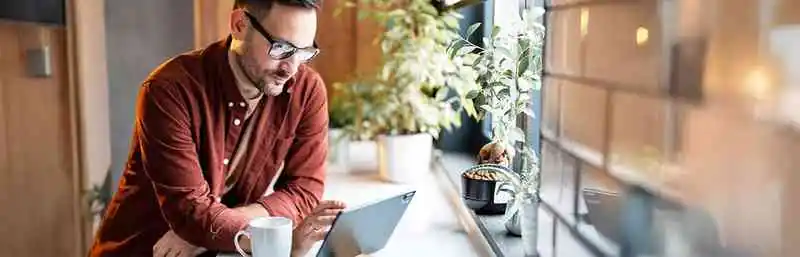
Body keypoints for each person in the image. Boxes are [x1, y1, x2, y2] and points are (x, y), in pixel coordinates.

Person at [89, 0, 346, 256]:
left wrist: (210, 232)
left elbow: (304, 190)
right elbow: (191, 212)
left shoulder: (307, 91)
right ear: (239, 25)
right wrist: (278, 240)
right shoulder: (169, 90)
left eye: (303, 51)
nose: (290, 68)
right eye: (281, 48)